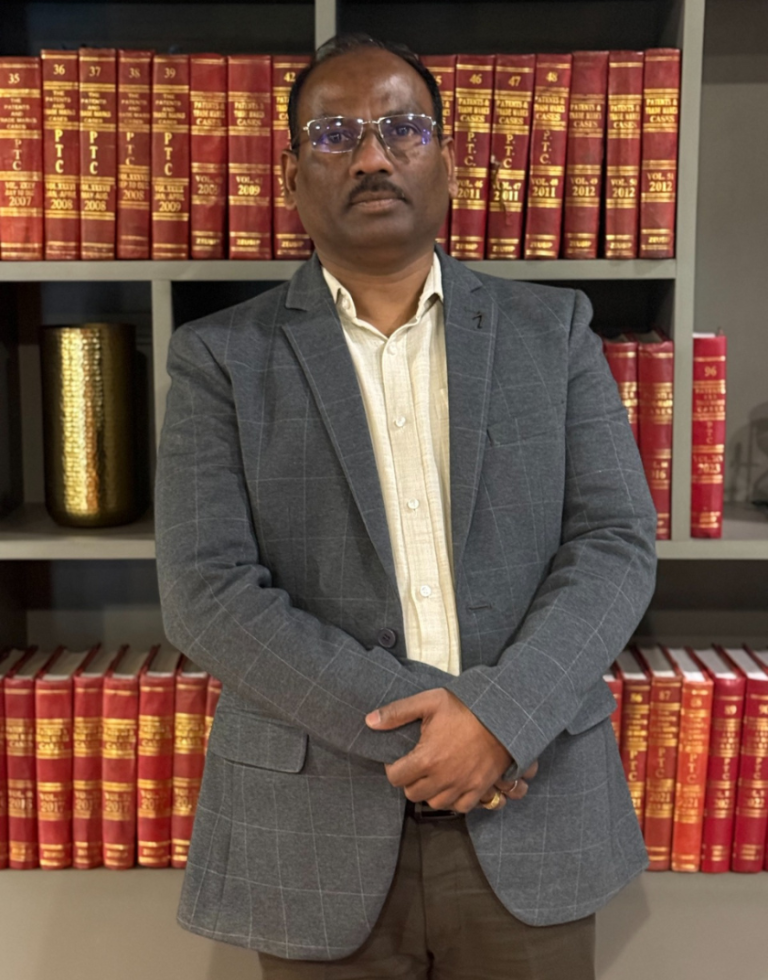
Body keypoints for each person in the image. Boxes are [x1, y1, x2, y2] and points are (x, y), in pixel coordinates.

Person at [155, 34, 657, 980]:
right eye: (335, 134)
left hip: (530, 804)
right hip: (314, 829)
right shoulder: (220, 358)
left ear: (449, 162)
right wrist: (434, 738)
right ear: (291, 175)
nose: (372, 156)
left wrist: (499, 722)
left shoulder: (554, 333)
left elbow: (616, 543)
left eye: (403, 129)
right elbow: (205, 593)